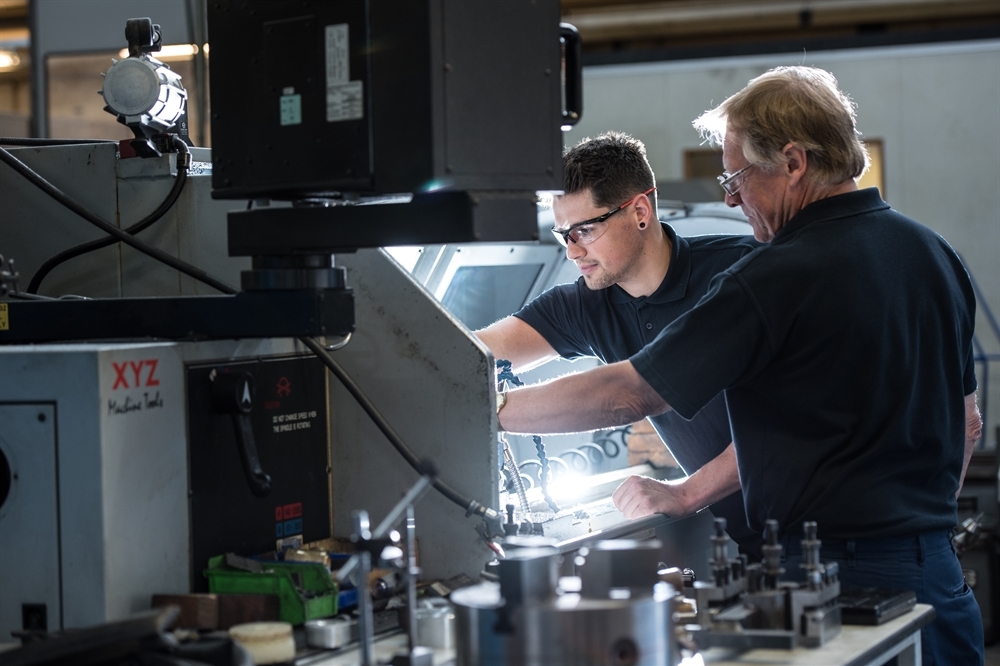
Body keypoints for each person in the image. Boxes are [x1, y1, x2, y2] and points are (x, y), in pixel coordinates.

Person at [495, 67, 983, 665]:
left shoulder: (773, 274)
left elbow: (632, 394)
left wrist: (491, 412)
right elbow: (969, 425)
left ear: (795, 162)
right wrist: (916, 528)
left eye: (736, 177)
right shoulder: (934, 254)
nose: (728, 196)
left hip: (830, 581)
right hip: (936, 570)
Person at [476, 131, 764, 558]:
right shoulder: (588, 303)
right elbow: (466, 354)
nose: (573, 252)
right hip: (748, 543)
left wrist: (686, 492)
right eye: (564, 235)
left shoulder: (739, 273)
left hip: (828, 528)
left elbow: (781, 424)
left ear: (640, 212)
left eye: (585, 230)